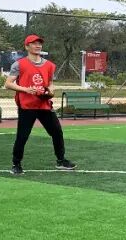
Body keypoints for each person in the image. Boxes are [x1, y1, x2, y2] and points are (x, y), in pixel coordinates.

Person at [5, 34, 76, 175]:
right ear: (27, 47)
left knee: (57, 132)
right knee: (23, 136)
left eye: (39, 43)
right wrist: (25, 89)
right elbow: (8, 84)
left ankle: (61, 160)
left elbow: (50, 83)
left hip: (44, 104)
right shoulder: (19, 64)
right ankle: (16, 164)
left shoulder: (49, 65)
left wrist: (51, 90)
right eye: (34, 43)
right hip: (27, 105)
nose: (38, 46)